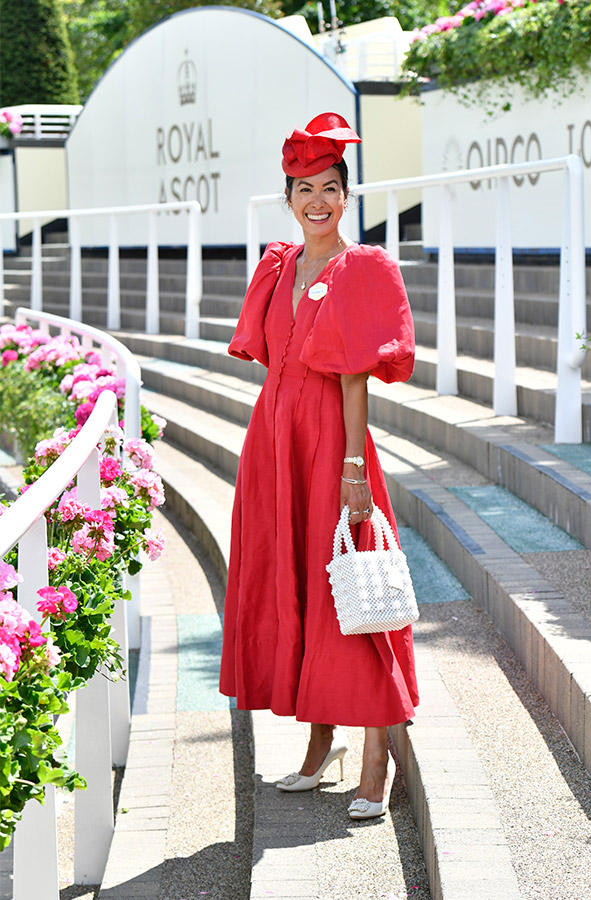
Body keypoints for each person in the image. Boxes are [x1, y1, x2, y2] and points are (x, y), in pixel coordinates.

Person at [219, 112, 419, 820]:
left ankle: (375, 752)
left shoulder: (361, 268)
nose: (317, 201)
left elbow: (354, 378)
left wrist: (352, 466)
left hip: (333, 445)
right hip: (275, 447)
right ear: (288, 198)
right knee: (300, 586)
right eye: (304, 189)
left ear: (346, 195)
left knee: (348, 595)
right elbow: (273, 363)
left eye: (330, 187)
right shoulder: (278, 268)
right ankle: (319, 739)